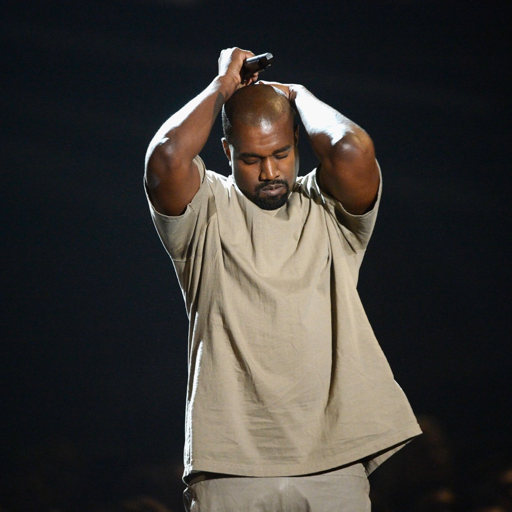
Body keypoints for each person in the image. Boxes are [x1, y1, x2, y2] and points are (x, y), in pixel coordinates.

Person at [144, 47, 421, 511]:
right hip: (232, 463)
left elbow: (351, 149)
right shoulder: (207, 209)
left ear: (298, 140)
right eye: (252, 158)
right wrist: (223, 86)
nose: (270, 172)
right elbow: (168, 157)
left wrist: (296, 94)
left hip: (335, 457)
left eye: (281, 153)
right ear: (227, 150)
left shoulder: (327, 207)